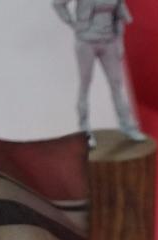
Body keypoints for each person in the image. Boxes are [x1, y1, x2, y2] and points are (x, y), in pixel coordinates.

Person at [52, 0, 146, 145]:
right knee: (85, 84)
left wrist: (119, 43)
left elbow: (120, 16)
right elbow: (58, 3)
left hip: (109, 42)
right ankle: (84, 130)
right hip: (86, 41)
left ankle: (128, 126)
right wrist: (72, 23)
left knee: (116, 84)